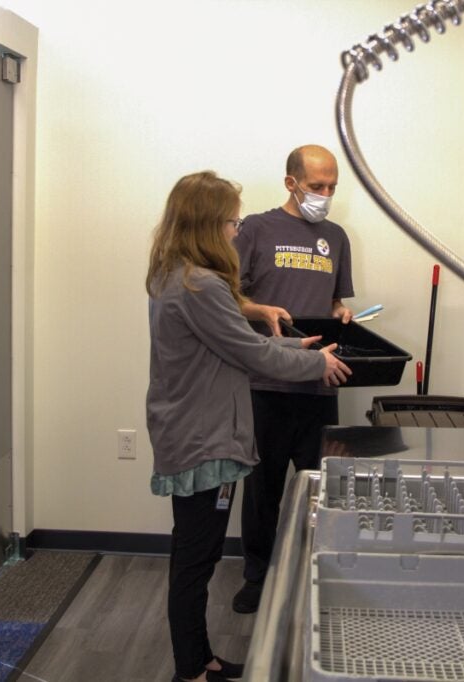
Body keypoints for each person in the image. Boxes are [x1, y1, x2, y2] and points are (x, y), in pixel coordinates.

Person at [145, 170, 351, 682]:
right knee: (196, 560)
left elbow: (239, 343)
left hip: (194, 431)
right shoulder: (201, 284)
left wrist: (296, 346)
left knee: (199, 554)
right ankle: (191, 670)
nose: (237, 231)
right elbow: (248, 353)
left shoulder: (180, 275)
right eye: (232, 221)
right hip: (203, 440)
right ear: (207, 224)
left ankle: (202, 659)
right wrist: (316, 364)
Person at [232, 145, 354, 614]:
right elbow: (227, 298)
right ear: (291, 182)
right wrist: (260, 310)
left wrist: (341, 311)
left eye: (331, 187)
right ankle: (256, 577)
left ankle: (313, 575)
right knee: (262, 489)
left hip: (319, 382)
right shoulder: (256, 230)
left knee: (321, 487)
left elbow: (336, 301)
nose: (324, 195)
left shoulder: (337, 237)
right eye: (317, 186)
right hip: (266, 383)